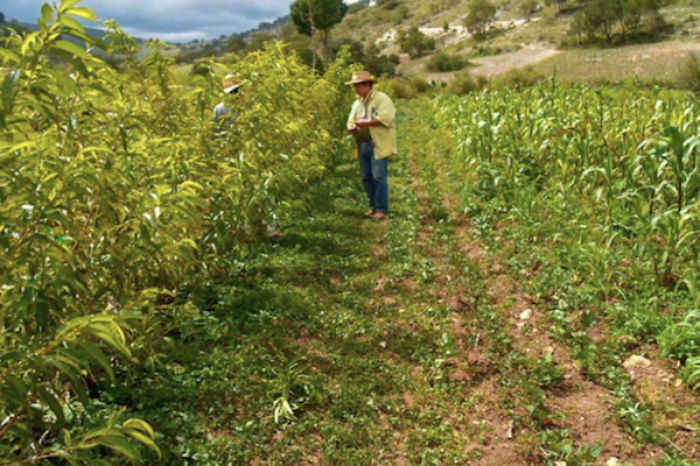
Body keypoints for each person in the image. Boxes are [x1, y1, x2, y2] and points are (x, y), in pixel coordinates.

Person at [213, 74, 281, 239]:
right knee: (245, 194)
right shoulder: (221, 109)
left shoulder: (251, 106)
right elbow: (216, 135)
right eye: (233, 91)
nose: (236, 94)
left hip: (251, 154)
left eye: (237, 91)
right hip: (237, 156)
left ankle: (265, 229)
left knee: (260, 190)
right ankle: (252, 230)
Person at [346, 71, 397, 220]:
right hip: (362, 144)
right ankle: (373, 206)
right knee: (366, 177)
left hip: (377, 143)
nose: (355, 89)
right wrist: (351, 127)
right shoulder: (357, 103)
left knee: (378, 176)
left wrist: (367, 123)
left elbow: (386, 117)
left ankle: (381, 208)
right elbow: (350, 120)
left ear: (367, 85)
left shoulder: (382, 99)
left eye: (357, 86)